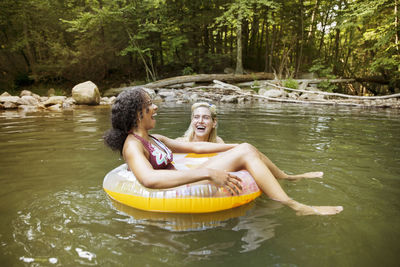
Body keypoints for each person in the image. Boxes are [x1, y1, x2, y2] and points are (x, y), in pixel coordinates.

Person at [104, 88, 343, 216]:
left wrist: (237, 146)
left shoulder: (155, 138)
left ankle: (288, 178)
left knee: (247, 149)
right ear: (138, 113)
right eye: (150, 104)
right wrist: (208, 173)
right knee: (247, 151)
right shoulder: (133, 145)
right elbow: (149, 179)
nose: (156, 107)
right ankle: (295, 206)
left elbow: (198, 146)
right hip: (179, 188)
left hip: (185, 177)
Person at [178, 102, 324, 180]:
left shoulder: (218, 142)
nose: (200, 121)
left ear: (214, 123)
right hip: (190, 177)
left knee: (250, 152)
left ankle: (287, 177)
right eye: (196, 117)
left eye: (205, 117)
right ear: (192, 121)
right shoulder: (180, 143)